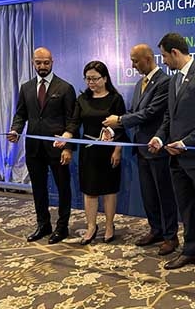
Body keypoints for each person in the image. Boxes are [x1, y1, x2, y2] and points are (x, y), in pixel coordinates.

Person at [148, 33, 195, 283]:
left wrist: (186, 143)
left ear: (175, 53)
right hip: (176, 159)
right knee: (186, 208)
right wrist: (160, 138)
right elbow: (169, 119)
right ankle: (190, 251)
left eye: (163, 56)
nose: (163, 61)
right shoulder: (173, 81)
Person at [103, 44, 179, 255]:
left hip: (158, 149)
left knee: (164, 195)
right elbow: (135, 112)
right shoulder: (139, 84)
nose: (133, 65)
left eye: (135, 61)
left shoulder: (165, 82)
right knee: (148, 195)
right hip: (141, 149)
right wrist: (116, 124)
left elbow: (151, 113)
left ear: (148, 59)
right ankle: (156, 229)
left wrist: (119, 120)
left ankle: (171, 236)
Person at [8, 46, 76, 244]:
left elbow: (72, 121)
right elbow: (20, 114)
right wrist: (15, 130)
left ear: (52, 62)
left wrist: (68, 147)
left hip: (57, 148)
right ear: (33, 62)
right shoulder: (26, 87)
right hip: (34, 149)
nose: (42, 66)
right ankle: (43, 225)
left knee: (63, 188)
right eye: (38, 62)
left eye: (46, 62)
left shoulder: (65, 87)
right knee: (38, 188)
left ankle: (62, 227)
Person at [56, 61, 127, 244]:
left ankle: (110, 225)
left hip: (109, 151)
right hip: (88, 152)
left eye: (95, 78)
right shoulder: (82, 100)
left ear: (105, 78)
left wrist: (117, 149)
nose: (91, 82)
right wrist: (65, 137)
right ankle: (91, 226)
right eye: (88, 79)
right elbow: (73, 123)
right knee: (90, 190)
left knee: (110, 190)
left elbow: (121, 127)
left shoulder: (115, 99)